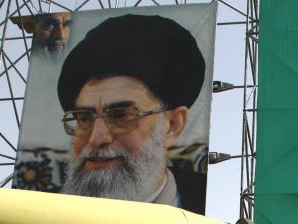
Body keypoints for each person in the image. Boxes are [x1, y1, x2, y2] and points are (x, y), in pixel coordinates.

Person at [57, 13, 208, 213]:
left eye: (121, 116)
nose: (96, 138)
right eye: (84, 118)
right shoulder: (40, 213)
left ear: (172, 126)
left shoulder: (209, 217)